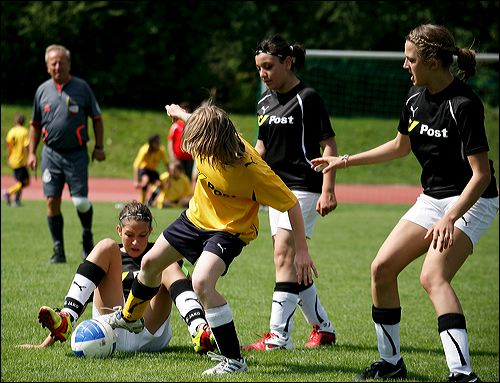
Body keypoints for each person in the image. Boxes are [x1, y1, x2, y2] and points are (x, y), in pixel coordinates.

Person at [311, 24, 499, 382]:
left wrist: (450, 217)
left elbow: (482, 176)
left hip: (472, 201)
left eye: (410, 59)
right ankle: (391, 362)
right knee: (381, 268)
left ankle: (463, 374)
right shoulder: (415, 98)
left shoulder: (465, 105)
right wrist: (344, 161)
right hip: (432, 200)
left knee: (433, 276)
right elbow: (400, 146)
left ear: (431, 61)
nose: (404, 65)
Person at [100, 101, 317, 375]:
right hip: (195, 218)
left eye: (199, 145)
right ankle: (131, 318)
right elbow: (199, 120)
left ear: (215, 142)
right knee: (150, 263)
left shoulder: (254, 171)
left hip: (230, 229)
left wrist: (301, 251)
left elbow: (291, 204)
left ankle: (234, 361)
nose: (194, 151)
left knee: (202, 282)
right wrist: (179, 114)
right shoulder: (209, 132)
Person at [18, 201, 216, 355]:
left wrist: (219, 337)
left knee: (166, 261)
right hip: (111, 330)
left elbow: (192, 294)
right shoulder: (110, 258)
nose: (136, 241)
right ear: (119, 230)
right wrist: (44, 344)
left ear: (150, 232)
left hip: (149, 330)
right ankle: (66, 319)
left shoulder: (157, 252)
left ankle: (199, 330)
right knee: (105, 246)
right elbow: (84, 295)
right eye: (129, 234)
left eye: (142, 235)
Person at [243, 34, 338, 351]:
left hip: (304, 186)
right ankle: (323, 328)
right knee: (290, 262)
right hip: (274, 188)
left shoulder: (307, 97)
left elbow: (329, 146)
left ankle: (278, 336)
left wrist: (328, 189)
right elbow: (262, 147)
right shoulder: (264, 101)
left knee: (284, 254)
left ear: (288, 62)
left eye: (268, 67)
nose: (263, 74)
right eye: (259, 68)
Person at [27, 44, 106, 264]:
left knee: (80, 201)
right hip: (50, 154)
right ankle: (58, 250)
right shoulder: (42, 91)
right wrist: (31, 152)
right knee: (52, 200)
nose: (58, 66)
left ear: (69, 64)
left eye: (62, 62)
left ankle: (87, 235)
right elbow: (34, 124)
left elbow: (97, 118)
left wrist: (99, 147)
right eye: (54, 63)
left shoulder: (82, 88)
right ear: (47, 67)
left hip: (77, 154)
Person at [133, 133, 169, 206]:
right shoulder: (145, 150)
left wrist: (170, 178)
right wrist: (136, 180)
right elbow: (136, 165)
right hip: (144, 169)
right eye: (157, 143)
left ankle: (150, 201)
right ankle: (142, 202)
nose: (159, 144)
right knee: (145, 181)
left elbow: (167, 164)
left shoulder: (161, 150)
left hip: (152, 170)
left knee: (160, 185)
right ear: (152, 143)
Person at [3, 113, 30, 207]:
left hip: (13, 160)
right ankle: (8, 193)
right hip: (21, 160)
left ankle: (17, 200)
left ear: (16, 121)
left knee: (21, 181)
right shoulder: (25, 132)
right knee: (24, 182)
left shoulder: (11, 131)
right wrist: (28, 158)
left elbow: (8, 147)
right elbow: (26, 146)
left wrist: (9, 158)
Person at [167, 101, 195, 180]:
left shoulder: (192, 125)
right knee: (178, 178)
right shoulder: (175, 126)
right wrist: (173, 157)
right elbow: (170, 142)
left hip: (189, 157)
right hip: (178, 157)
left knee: (188, 178)